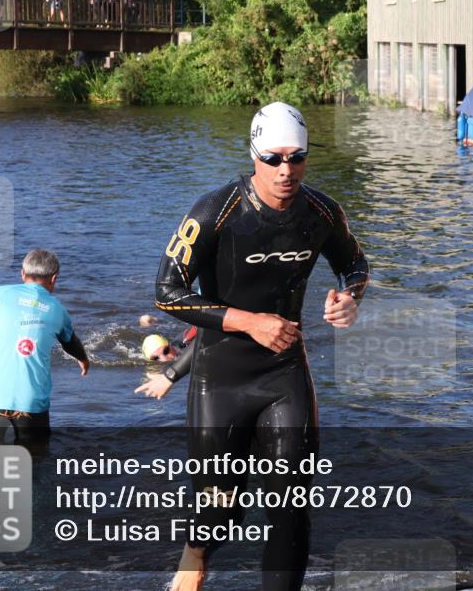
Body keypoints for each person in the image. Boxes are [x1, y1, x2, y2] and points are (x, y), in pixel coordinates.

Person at [144, 101, 369, 591]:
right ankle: (197, 551)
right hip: (219, 377)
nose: (286, 170)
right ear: (254, 155)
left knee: (290, 505)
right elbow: (167, 291)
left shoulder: (323, 212)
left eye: (297, 158)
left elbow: (355, 264)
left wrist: (349, 299)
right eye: (273, 159)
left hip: (283, 375)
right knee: (221, 507)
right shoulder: (215, 210)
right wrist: (248, 322)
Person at [0, 249, 90, 450]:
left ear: (23, 273)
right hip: (31, 401)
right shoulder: (57, 309)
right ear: (54, 278)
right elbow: (70, 342)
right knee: (35, 466)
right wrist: (83, 359)